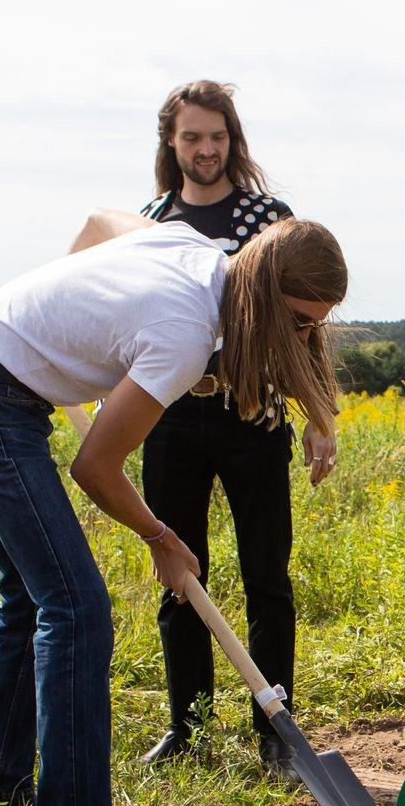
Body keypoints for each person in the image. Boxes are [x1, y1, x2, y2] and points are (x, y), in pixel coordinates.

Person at [0, 210, 346, 806]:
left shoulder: (204, 250)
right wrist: (159, 535)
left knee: (33, 601)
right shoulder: (184, 333)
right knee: (77, 610)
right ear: (267, 295)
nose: (306, 338)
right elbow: (95, 467)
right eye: (302, 323)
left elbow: (100, 225)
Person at [130, 82, 336, 771]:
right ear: (172, 143)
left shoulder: (267, 218)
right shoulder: (153, 222)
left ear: (232, 140)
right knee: (181, 575)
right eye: (192, 137)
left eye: (217, 136)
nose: (206, 148)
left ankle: (275, 735)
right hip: (172, 415)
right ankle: (189, 731)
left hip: (255, 415)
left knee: (267, 578)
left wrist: (319, 415)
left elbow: (304, 330)